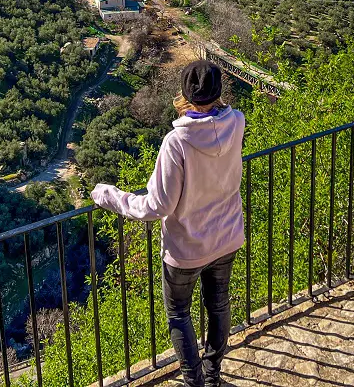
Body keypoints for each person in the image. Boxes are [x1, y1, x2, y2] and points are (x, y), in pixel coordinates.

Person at [91, 60, 245, 387]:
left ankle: (195, 382)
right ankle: (212, 374)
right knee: (218, 306)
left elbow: (157, 206)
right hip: (228, 235)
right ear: (219, 90)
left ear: (185, 94)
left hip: (187, 247)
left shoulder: (177, 143)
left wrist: (111, 196)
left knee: (179, 314)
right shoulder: (237, 123)